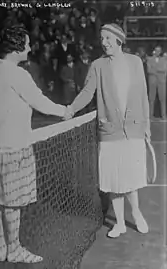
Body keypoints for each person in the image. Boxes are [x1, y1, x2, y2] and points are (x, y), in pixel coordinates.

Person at [0, 25, 66, 263]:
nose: (29, 48)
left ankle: (3, 248)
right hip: (16, 146)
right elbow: (41, 103)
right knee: (13, 203)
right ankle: (15, 248)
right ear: (17, 47)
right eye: (26, 44)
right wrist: (65, 112)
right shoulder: (18, 74)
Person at [64, 23, 151, 238]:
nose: (104, 43)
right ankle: (119, 223)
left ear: (119, 40)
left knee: (130, 177)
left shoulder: (135, 62)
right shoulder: (97, 66)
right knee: (114, 178)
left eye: (108, 39)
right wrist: (71, 109)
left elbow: (143, 97)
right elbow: (87, 92)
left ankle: (137, 213)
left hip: (134, 129)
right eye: (102, 39)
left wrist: (146, 125)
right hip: (109, 130)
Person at [147, 45, 167, 120]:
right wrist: (159, 70)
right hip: (152, 81)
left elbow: (164, 69)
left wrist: (155, 69)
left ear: (161, 51)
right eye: (156, 50)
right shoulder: (150, 59)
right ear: (154, 51)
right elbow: (149, 70)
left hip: (162, 82)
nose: (157, 52)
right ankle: (150, 115)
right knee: (151, 99)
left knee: (163, 99)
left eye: (159, 50)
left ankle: (163, 115)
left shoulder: (164, 59)